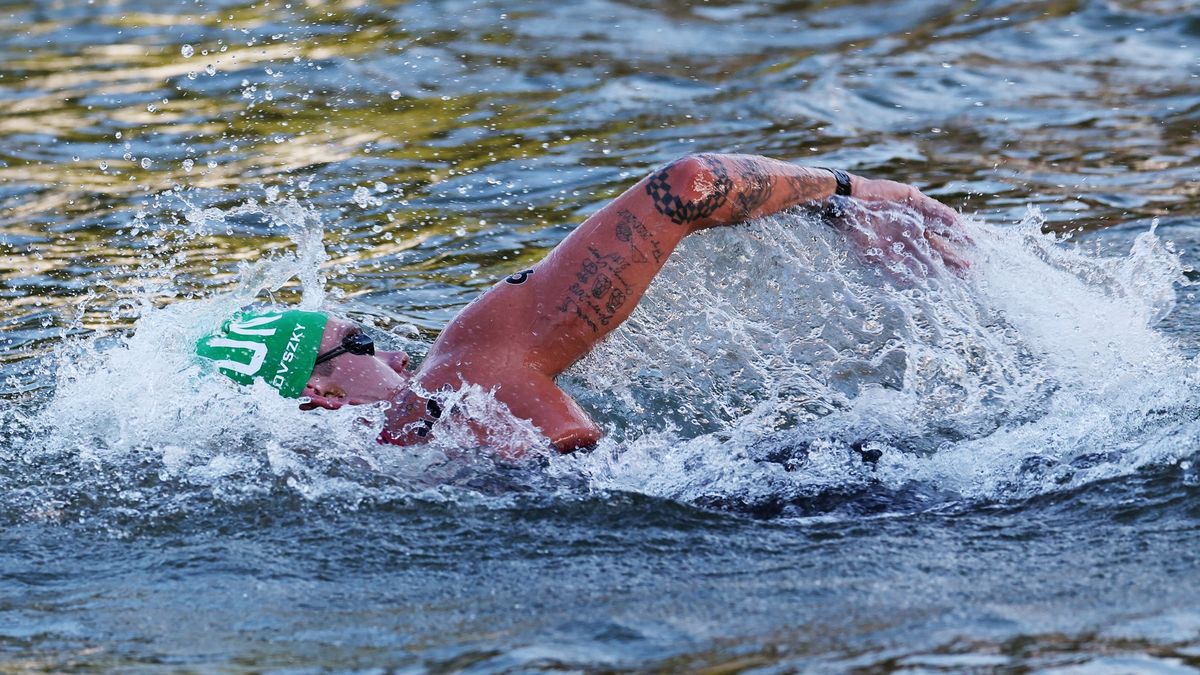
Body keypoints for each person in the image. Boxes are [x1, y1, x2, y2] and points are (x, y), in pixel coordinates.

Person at [195, 153, 969, 454]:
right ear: (317, 396)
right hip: (822, 505)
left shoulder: (362, 491)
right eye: (359, 340)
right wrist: (850, 194)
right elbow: (688, 185)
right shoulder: (464, 365)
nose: (396, 349)